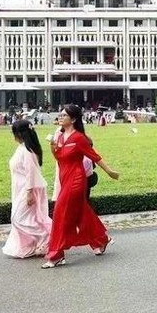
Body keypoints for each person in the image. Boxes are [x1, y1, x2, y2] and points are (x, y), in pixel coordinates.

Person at [42, 104, 120, 268]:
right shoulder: (61, 137)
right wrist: (53, 147)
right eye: (60, 114)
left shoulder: (79, 138)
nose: (60, 117)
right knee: (82, 213)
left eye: (64, 115)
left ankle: (56, 254)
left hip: (76, 180)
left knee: (59, 214)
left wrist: (110, 172)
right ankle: (101, 239)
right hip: (65, 178)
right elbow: (59, 158)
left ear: (74, 119)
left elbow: (95, 157)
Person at [2, 119, 52, 258]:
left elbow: (31, 173)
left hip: (27, 189)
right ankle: (34, 243)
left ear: (19, 134)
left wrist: (29, 192)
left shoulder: (27, 151)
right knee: (29, 218)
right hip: (20, 189)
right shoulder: (23, 148)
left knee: (19, 218)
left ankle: (47, 237)